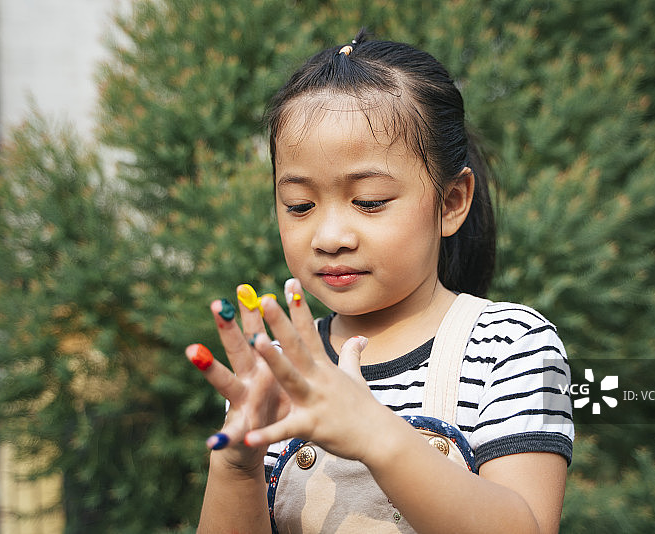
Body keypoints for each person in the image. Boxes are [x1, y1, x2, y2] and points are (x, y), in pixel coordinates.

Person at [185, 30, 573, 534]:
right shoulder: (278, 371)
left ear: (452, 201)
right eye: (299, 205)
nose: (329, 236)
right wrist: (236, 465)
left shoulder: (510, 346)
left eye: (368, 201)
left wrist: (373, 432)